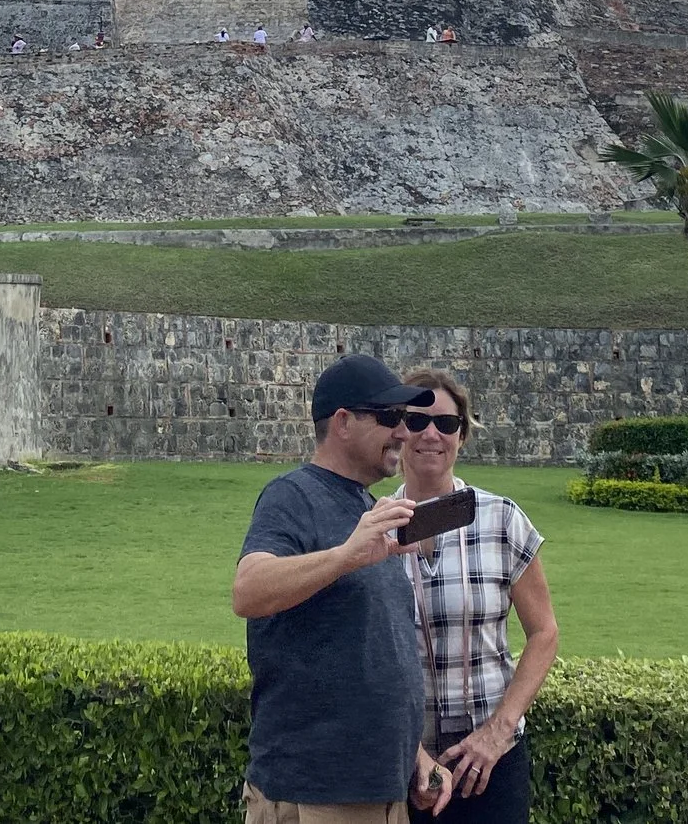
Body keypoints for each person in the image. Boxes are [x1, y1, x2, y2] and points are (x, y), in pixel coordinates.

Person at [232, 353, 455, 824]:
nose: (404, 432)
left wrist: (415, 756)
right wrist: (344, 556)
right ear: (343, 422)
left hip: (379, 794)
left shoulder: (368, 508)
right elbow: (248, 590)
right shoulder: (292, 495)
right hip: (316, 794)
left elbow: (371, 655)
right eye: (389, 417)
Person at [394, 370, 558, 824]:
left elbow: (544, 633)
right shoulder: (375, 525)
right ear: (399, 430)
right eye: (417, 421)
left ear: (462, 436)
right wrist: (414, 757)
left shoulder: (501, 519)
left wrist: (497, 732)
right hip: (406, 762)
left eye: (446, 424)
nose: (431, 434)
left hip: (490, 762)